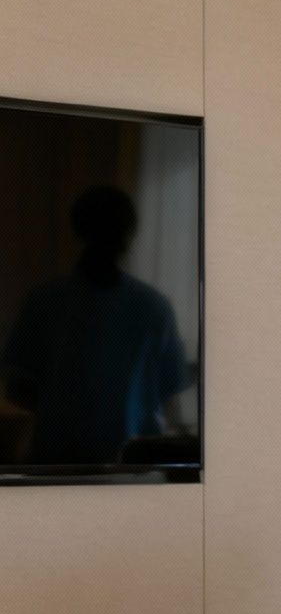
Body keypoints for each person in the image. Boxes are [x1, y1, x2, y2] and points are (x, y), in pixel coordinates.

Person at [2, 185, 191, 465]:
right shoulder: (152, 307)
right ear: (129, 235)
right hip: (118, 464)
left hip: (84, 460)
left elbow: (19, 386)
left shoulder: (46, 300)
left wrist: (61, 410)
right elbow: (167, 394)